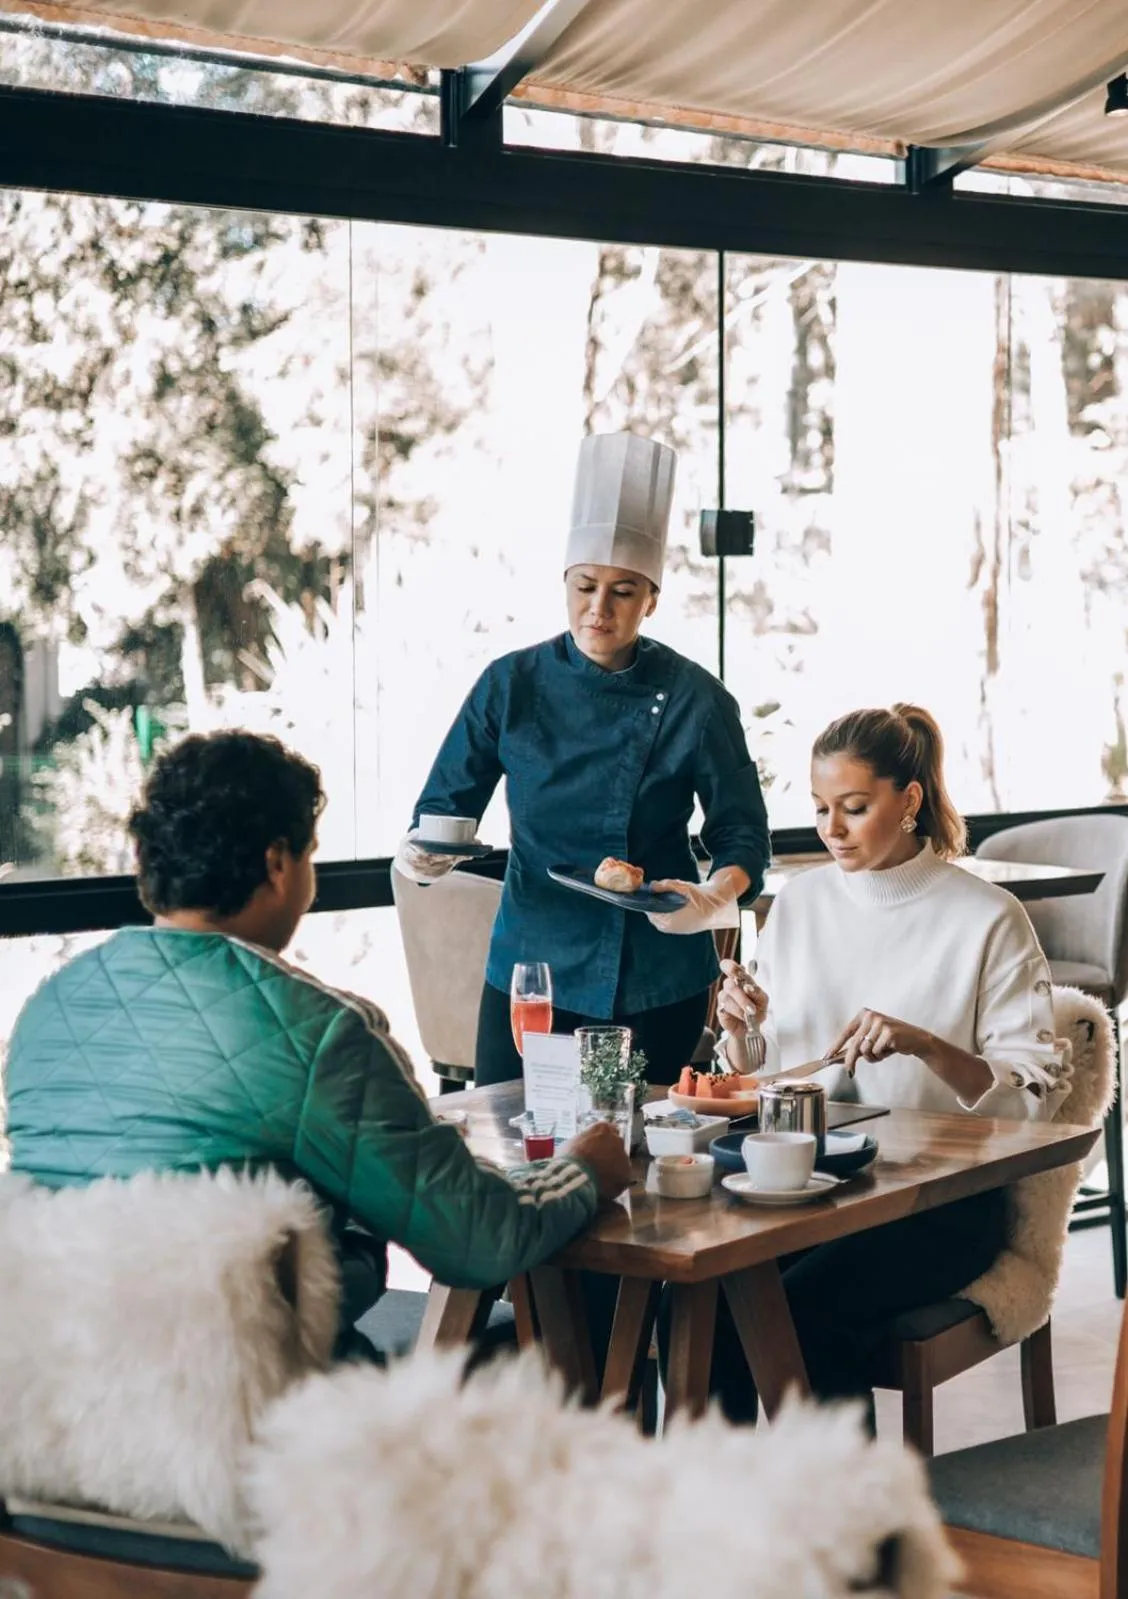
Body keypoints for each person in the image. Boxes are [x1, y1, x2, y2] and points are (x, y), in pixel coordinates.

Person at [5, 731, 633, 1359]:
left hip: (58, 1384)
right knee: (516, 1367)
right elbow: (475, 1237)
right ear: (278, 863)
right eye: (310, 855)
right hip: (257, 1393)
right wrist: (580, 1172)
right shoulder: (321, 1033)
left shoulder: (49, 1008)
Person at [701, 702, 1074, 1421]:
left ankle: (849, 1496)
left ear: (908, 801)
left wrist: (925, 1043)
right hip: (808, 1186)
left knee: (803, 1312)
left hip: (940, 1202)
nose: (831, 830)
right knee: (705, 1297)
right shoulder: (800, 904)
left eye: (854, 807)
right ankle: (726, 1488)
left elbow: (1034, 1099)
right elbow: (769, 1071)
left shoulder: (987, 917)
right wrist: (744, 1031)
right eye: (820, 809)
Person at [396, 432, 771, 1086]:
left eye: (623, 591)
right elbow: (442, 809)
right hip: (532, 971)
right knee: (512, 1131)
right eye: (585, 586)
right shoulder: (509, 685)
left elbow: (743, 833)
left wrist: (714, 895)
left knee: (646, 1142)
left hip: (658, 975)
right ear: (565, 583)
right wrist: (420, 853)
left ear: (651, 598)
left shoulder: (697, 698)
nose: (599, 609)